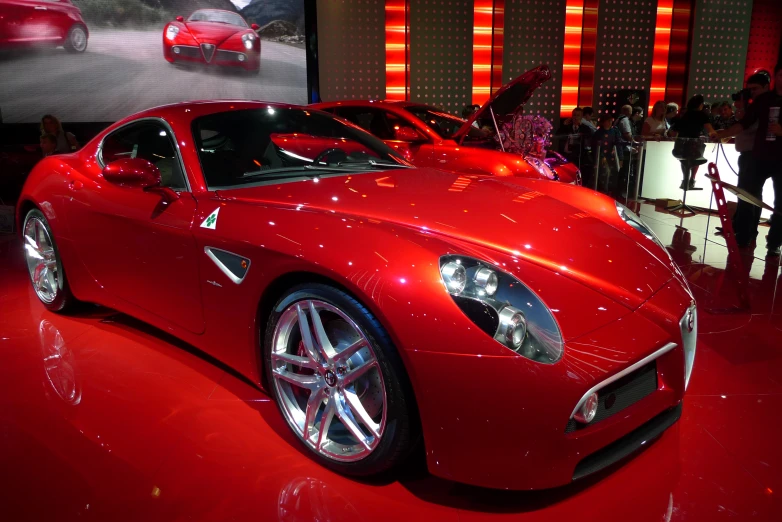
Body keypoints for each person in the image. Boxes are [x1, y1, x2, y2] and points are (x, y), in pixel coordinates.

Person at [718, 63, 782, 257]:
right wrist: (724, 133)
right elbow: (744, 123)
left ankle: (774, 242)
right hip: (759, 155)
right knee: (747, 196)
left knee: (781, 202)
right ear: (776, 77)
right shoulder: (764, 100)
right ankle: (744, 236)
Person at [669, 95, 718, 190]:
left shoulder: (684, 115)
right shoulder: (702, 115)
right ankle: (692, 179)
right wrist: (716, 135)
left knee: (684, 160)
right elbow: (710, 130)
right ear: (700, 105)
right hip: (693, 146)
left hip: (680, 146)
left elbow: (673, 132)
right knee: (696, 159)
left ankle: (685, 180)